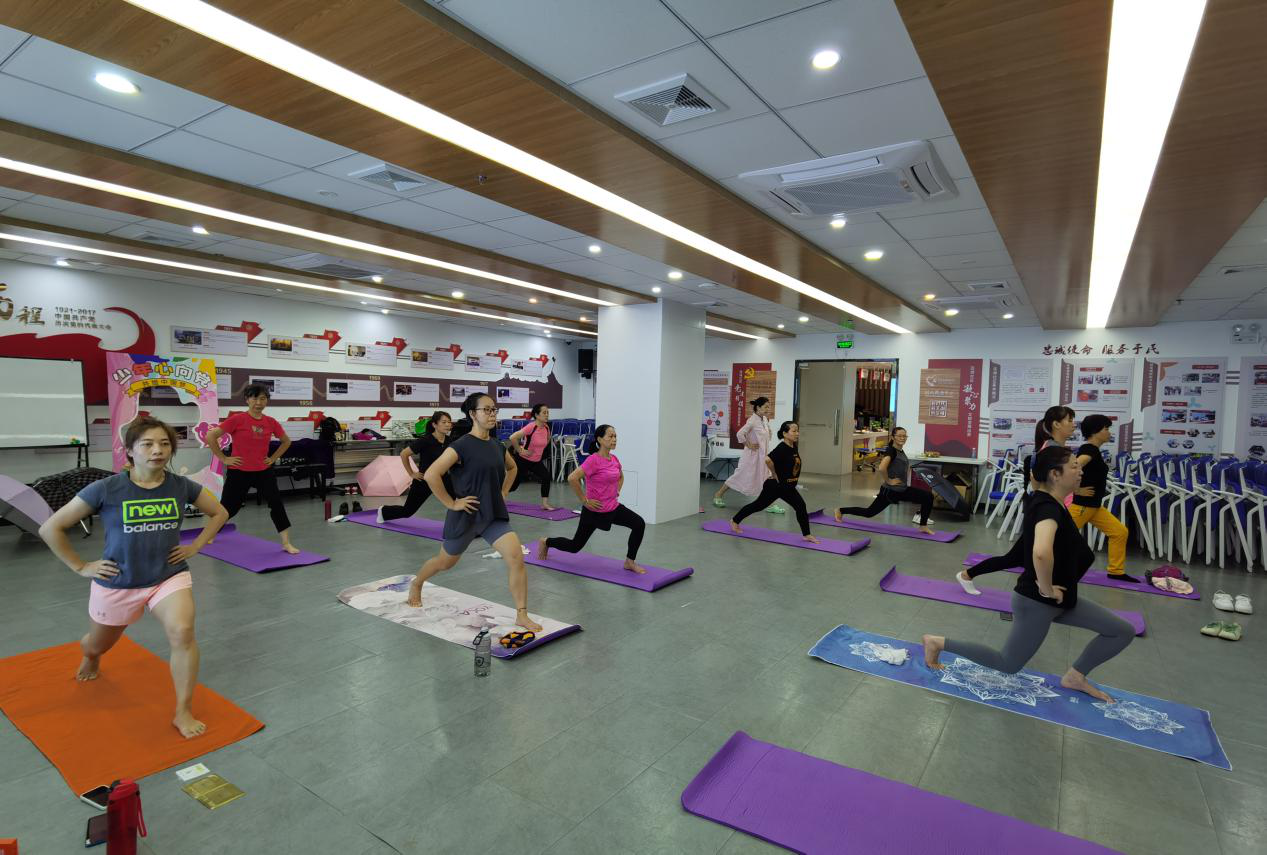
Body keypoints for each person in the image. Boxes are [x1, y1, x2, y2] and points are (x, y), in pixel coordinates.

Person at [37, 417, 230, 738]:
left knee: (183, 632)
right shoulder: (106, 488)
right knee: (98, 643)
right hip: (119, 581)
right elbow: (50, 528)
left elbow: (219, 512)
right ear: (129, 451)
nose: (158, 450)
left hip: (167, 576)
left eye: (165, 444)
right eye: (148, 444)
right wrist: (81, 566)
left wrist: (196, 545)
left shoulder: (181, 486)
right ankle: (91, 656)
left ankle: (182, 711)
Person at [923, 445, 1134, 702]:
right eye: (1074, 467)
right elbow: (1041, 552)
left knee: (1122, 631)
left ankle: (1075, 677)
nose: (1081, 471)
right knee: (1007, 663)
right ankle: (937, 642)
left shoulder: (1051, 502)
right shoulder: (1047, 508)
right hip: (1037, 602)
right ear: (1055, 474)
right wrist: (1047, 589)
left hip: (1062, 600)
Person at [406, 393, 542, 632]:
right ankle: (417, 583)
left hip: (492, 514)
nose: (492, 414)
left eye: (494, 409)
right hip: (466, 514)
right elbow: (432, 474)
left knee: (515, 558)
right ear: (472, 414)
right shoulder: (460, 446)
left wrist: (504, 491)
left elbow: (512, 468)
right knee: (444, 563)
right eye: (486, 410)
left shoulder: (497, 445)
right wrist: (451, 503)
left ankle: (521, 614)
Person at [955, 405, 1076, 595]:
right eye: (1070, 420)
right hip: (1046, 513)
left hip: (1051, 511)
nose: (1073, 424)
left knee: (1019, 558)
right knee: (1020, 558)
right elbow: (1037, 484)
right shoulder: (1051, 451)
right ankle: (967, 575)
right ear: (1056, 424)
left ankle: (969, 575)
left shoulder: (1056, 449)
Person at [205, 384, 301, 554]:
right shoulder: (237, 419)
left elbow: (286, 442)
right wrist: (223, 458)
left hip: (263, 471)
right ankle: (210, 534)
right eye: (254, 398)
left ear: (267, 401)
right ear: (247, 400)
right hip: (239, 471)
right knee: (229, 508)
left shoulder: (270, 422)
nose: (258, 402)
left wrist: (272, 458)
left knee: (276, 504)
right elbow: (211, 436)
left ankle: (286, 543)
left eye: (262, 398)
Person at [538, 424, 646, 573]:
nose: (614, 439)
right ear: (600, 439)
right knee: (575, 546)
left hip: (613, 508)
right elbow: (572, 478)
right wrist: (585, 500)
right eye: (610, 436)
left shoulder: (614, 459)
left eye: (615, 436)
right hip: (594, 512)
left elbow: (620, 476)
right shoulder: (593, 460)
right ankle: (546, 541)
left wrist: (617, 491)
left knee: (639, 524)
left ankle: (629, 562)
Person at [1070, 414, 1137, 582]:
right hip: (1082, 507)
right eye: (1106, 429)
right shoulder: (1090, 450)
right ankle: (1033, 562)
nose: (1109, 432)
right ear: (1095, 432)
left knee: (1119, 532)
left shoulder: (1093, 450)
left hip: (1094, 507)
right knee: (1058, 536)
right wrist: (1076, 490)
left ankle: (1116, 571)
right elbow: (1073, 467)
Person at [834, 426, 935, 534]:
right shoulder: (891, 451)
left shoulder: (900, 450)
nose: (902, 438)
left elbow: (897, 465)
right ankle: (840, 510)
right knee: (869, 513)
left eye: (904, 436)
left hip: (901, 489)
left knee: (928, 496)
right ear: (893, 437)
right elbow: (882, 468)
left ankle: (923, 526)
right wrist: (889, 481)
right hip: (890, 491)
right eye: (899, 436)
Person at [730, 422, 818, 543]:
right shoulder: (782, 448)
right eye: (794, 431)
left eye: (797, 431)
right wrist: (774, 473)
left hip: (788, 487)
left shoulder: (793, 447)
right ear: (785, 434)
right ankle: (735, 521)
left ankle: (807, 534)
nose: (797, 433)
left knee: (801, 506)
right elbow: (768, 459)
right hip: (775, 486)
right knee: (758, 506)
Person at [713, 397, 784, 514]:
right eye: (766, 407)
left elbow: (766, 435)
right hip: (751, 457)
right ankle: (718, 494)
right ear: (758, 407)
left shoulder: (764, 419)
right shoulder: (752, 420)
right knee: (739, 476)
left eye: (769, 406)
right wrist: (749, 445)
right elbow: (740, 434)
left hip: (763, 456)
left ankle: (770, 504)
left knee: (766, 478)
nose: (768, 409)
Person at [379, 411, 452, 523]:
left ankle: (462, 527)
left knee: (457, 501)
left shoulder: (450, 441)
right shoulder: (425, 440)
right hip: (424, 479)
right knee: (407, 511)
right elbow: (404, 454)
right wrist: (411, 473)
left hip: (443, 478)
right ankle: (384, 511)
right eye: (444, 422)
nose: (447, 425)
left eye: (449, 422)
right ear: (434, 424)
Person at [507, 404, 556, 511]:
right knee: (513, 486)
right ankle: (498, 497)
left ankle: (544, 504)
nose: (547, 415)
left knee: (546, 477)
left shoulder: (546, 427)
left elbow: (548, 439)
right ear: (537, 415)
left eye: (548, 412)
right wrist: (520, 450)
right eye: (544, 413)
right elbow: (512, 437)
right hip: (523, 461)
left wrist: (538, 450)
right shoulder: (531, 427)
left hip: (536, 461)